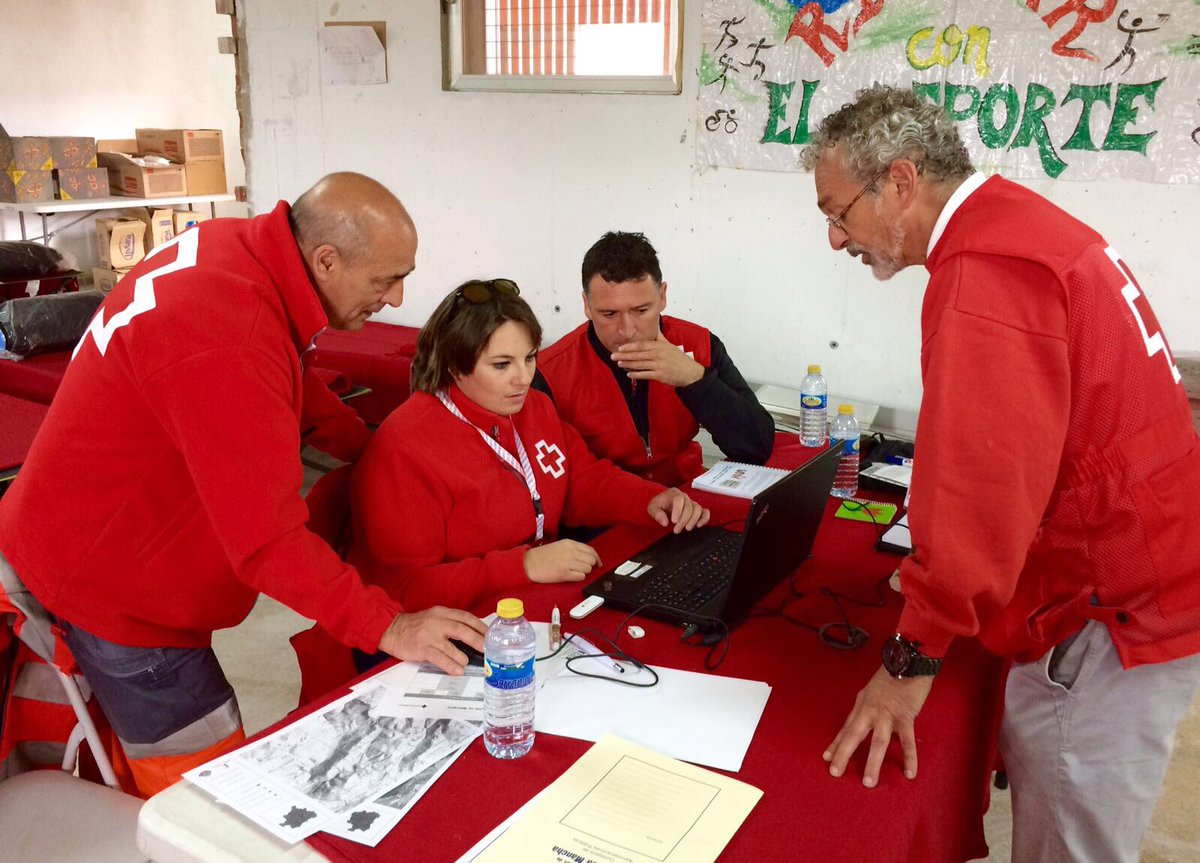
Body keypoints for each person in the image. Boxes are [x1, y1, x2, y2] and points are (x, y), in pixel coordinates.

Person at [802, 84, 1200, 862]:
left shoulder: (988, 269)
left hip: (1107, 610)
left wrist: (910, 656)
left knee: (1070, 844)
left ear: (902, 182)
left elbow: (981, 490)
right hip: (1140, 571)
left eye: (837, 211)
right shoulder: (1019, 222)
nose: (835, 238)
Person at [0, 172, 487, 797]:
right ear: (326, 259)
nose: (395, 300)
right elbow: (269, 542)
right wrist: (391, 627)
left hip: (73, 531)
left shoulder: (239, 255)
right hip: (115, 590)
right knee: (210, 800)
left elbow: (284, 373)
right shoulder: (230, 333)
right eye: (385, 280)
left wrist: (372, 446)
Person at [346, 279, 710, 633]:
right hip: (447, 627)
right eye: (502, 365)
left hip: (527, 603)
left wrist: (650, 500)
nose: (523, 378)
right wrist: (523, 566)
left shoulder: (533, 407)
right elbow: (403, 591)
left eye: (530, 357)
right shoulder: (405, 447)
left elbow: (581, 479)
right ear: (456, 367)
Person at [534, 231, 775, 487]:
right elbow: (554, 483)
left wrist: (695, 379)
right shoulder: (550, 372)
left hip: (689, 496)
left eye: (641, 311)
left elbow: (757, 447)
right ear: (586, 305)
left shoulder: (699, 344)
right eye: (609, 314)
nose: (627, 330)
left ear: (662, 297)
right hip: (608, 514)